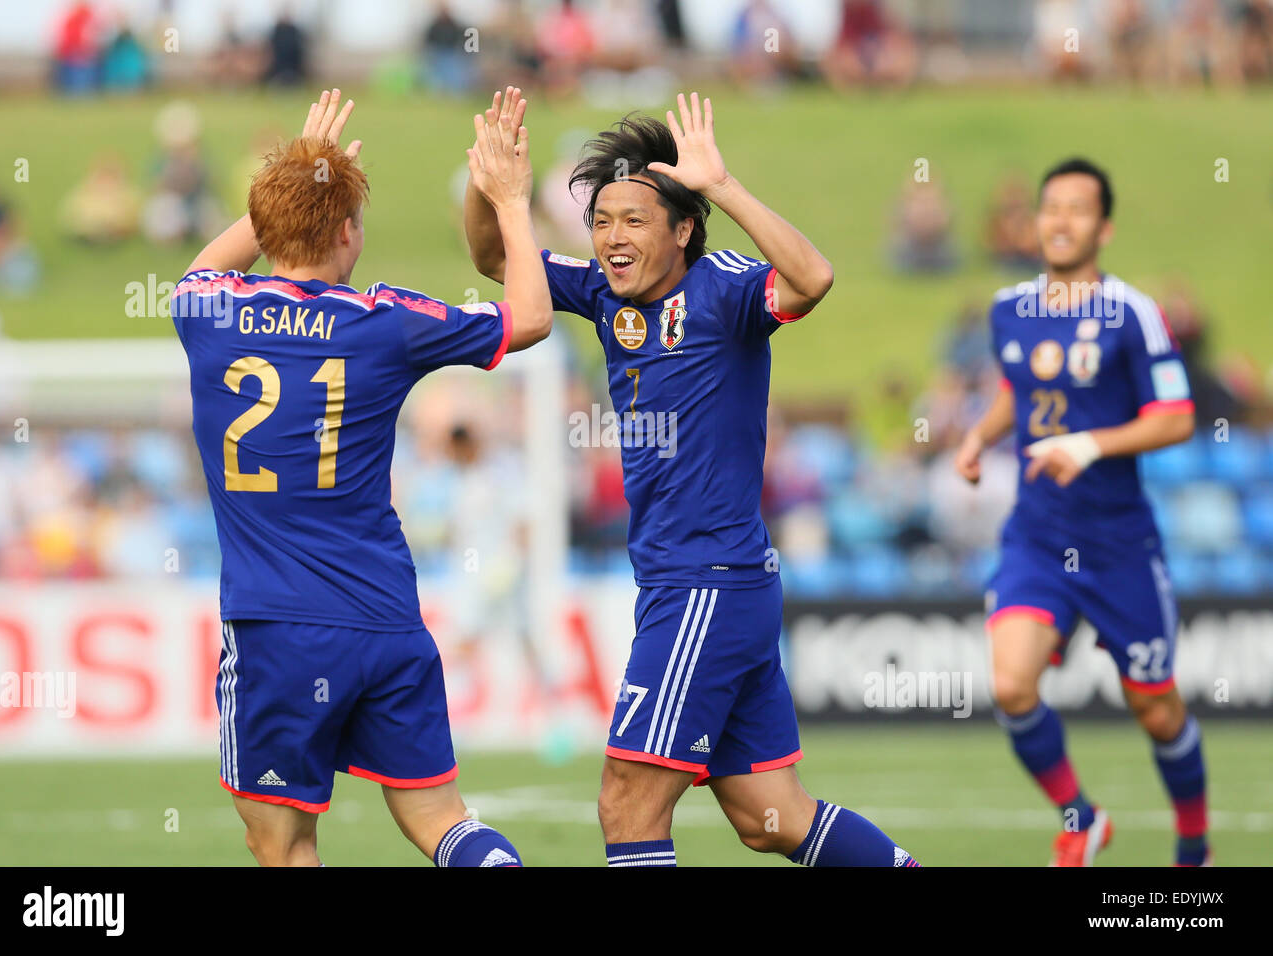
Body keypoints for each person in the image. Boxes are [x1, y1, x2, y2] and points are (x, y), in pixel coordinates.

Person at [466, 88, 919, 867]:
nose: (612, 237)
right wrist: (494, 189)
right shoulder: (604, 293)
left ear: (683, 230)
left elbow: (812, 277)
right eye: (602, 221)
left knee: (627, 801)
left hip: (707, 581)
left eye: (634, 221)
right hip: (699, 583)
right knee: (769, 814)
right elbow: (492, 258)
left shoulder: (728, 290)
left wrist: (722, 184)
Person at [171, 89, 551, 866]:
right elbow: (532, 317)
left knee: (283, 843)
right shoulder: (387, 320)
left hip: (277, 627)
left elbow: (205, 265)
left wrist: (296, 179)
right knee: (443, 821)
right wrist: (512, 200)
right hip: (385, 619)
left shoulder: (204, 312)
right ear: (348, 231)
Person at [954, 158, 1208, 866]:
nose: (1061, 220)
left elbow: (1177, 417)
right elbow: (1020, 393)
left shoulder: (1132, 312)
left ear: (1105, 227)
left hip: (1119, 544)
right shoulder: (1008, 308)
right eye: (1050, 207)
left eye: (1078, 209)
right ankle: (1082, 817)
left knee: (1156, 708)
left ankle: (1195, 848)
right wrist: (979, 434)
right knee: (1010, 684)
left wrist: (1090, 445)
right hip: (1037, 537)